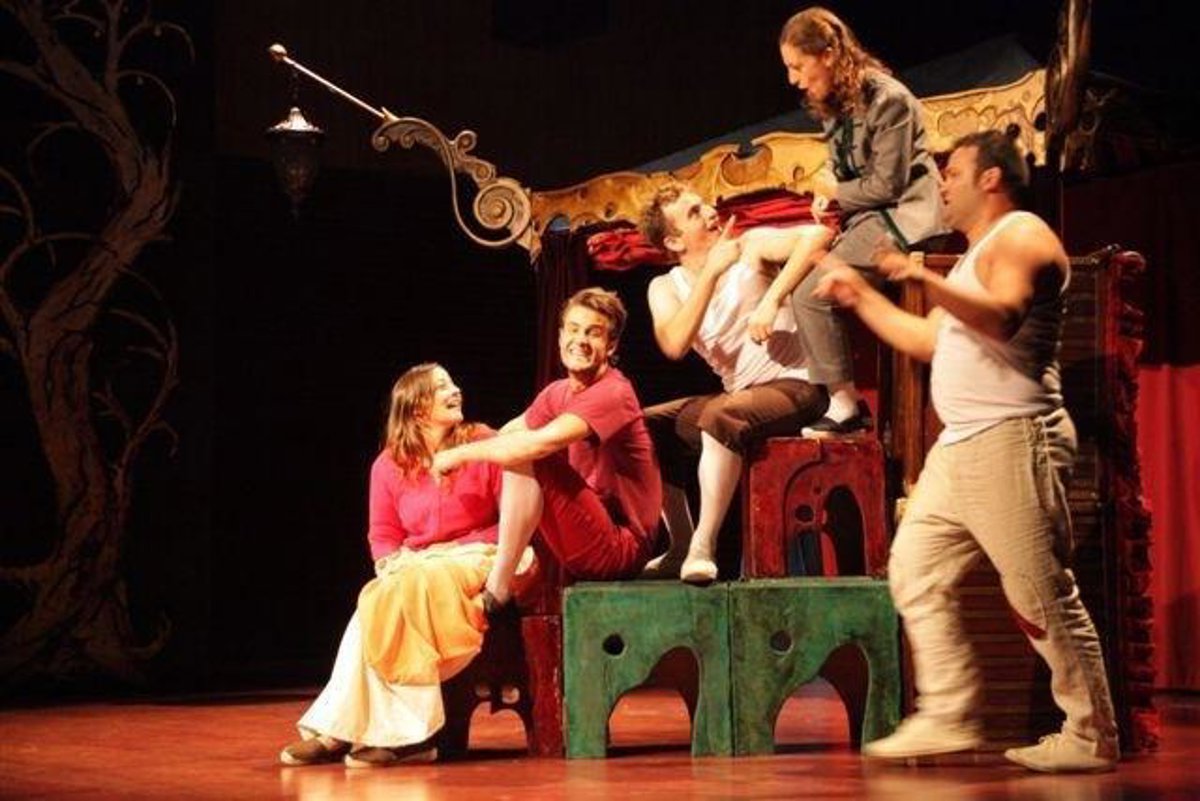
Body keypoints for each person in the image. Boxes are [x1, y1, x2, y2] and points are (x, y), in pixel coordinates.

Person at [815, 130, 1119, 772]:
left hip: (1012, 436)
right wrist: (861, 296)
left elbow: (1003, 315)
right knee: (915, 569)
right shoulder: (972, 257)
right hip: (961, 446)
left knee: (1039, 592)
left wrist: (919, 273)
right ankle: (949, 713)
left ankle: (1090, 734)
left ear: (991, 178)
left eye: (951, 172)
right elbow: (928, 340)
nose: (942, 185)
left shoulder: (1023, 234)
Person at [279, 363, 523, 769]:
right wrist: (391, 565)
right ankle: (338, 730)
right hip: (419, 563)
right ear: (416, 408)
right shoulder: (388, 464)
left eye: (452, 383)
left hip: (480, 553)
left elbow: (514, 516)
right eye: (441, 386)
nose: (455, 390)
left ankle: (414, 737)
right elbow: (383, 534)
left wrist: (453, 549)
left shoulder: (482, 443)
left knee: (415, 584)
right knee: (373, 601)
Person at [638, 184, 830, 582]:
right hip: (741, 396)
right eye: (694, 212)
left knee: (722, 415)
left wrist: (773, 298)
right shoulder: (666, 287)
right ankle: (680, 543)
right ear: (673, 241)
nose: (711, 211)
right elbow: (674, 343)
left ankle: (703, 545)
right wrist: (711, 272)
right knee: (643, 426)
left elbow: (818, 236)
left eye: (705, 204)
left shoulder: (750, 246)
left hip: (797, 387)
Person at [431, 287, 662, 605]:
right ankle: (490, 563)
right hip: (586, 536)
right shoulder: (558, 392)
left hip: (621, 549)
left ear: (611, 345)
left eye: (593, 333)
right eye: (573, 329)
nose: (580, 340)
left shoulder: (613, 393)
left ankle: (499, 586)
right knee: (514, 449)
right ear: (560, 336)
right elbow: (507, 433)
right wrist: (444, 443)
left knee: (528, 454)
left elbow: (533, 446)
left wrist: (459, 455)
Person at [778, 6, 946, 435]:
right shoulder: (835, 106)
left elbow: (887, 185)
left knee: (810, 294)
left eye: (798, 66)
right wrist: (828, 194)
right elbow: (846, 172)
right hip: (868, 219)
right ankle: (843, 402)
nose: (793, 79)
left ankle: (846, 406)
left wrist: (836, 191)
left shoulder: (889, 99)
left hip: (905, 218)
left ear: (829, 54)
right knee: (808, 280)